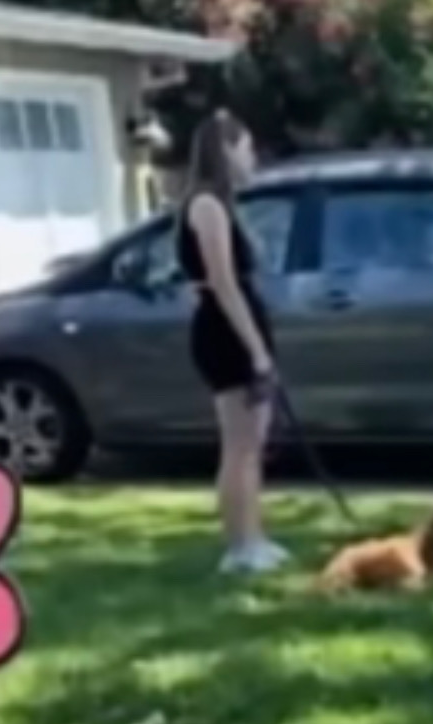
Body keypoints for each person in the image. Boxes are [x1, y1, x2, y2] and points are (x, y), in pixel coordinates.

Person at [179, 109, 288, 575]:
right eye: (246, 148)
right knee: (241, 444)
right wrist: (258, 352)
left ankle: (254, 536)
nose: (252, 157)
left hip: (232, 326)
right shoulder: (207, 206)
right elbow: (223, 282)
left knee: (251, 443)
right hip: (227, 333)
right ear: (226, 149)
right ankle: (241, 546)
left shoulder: (220, 204)